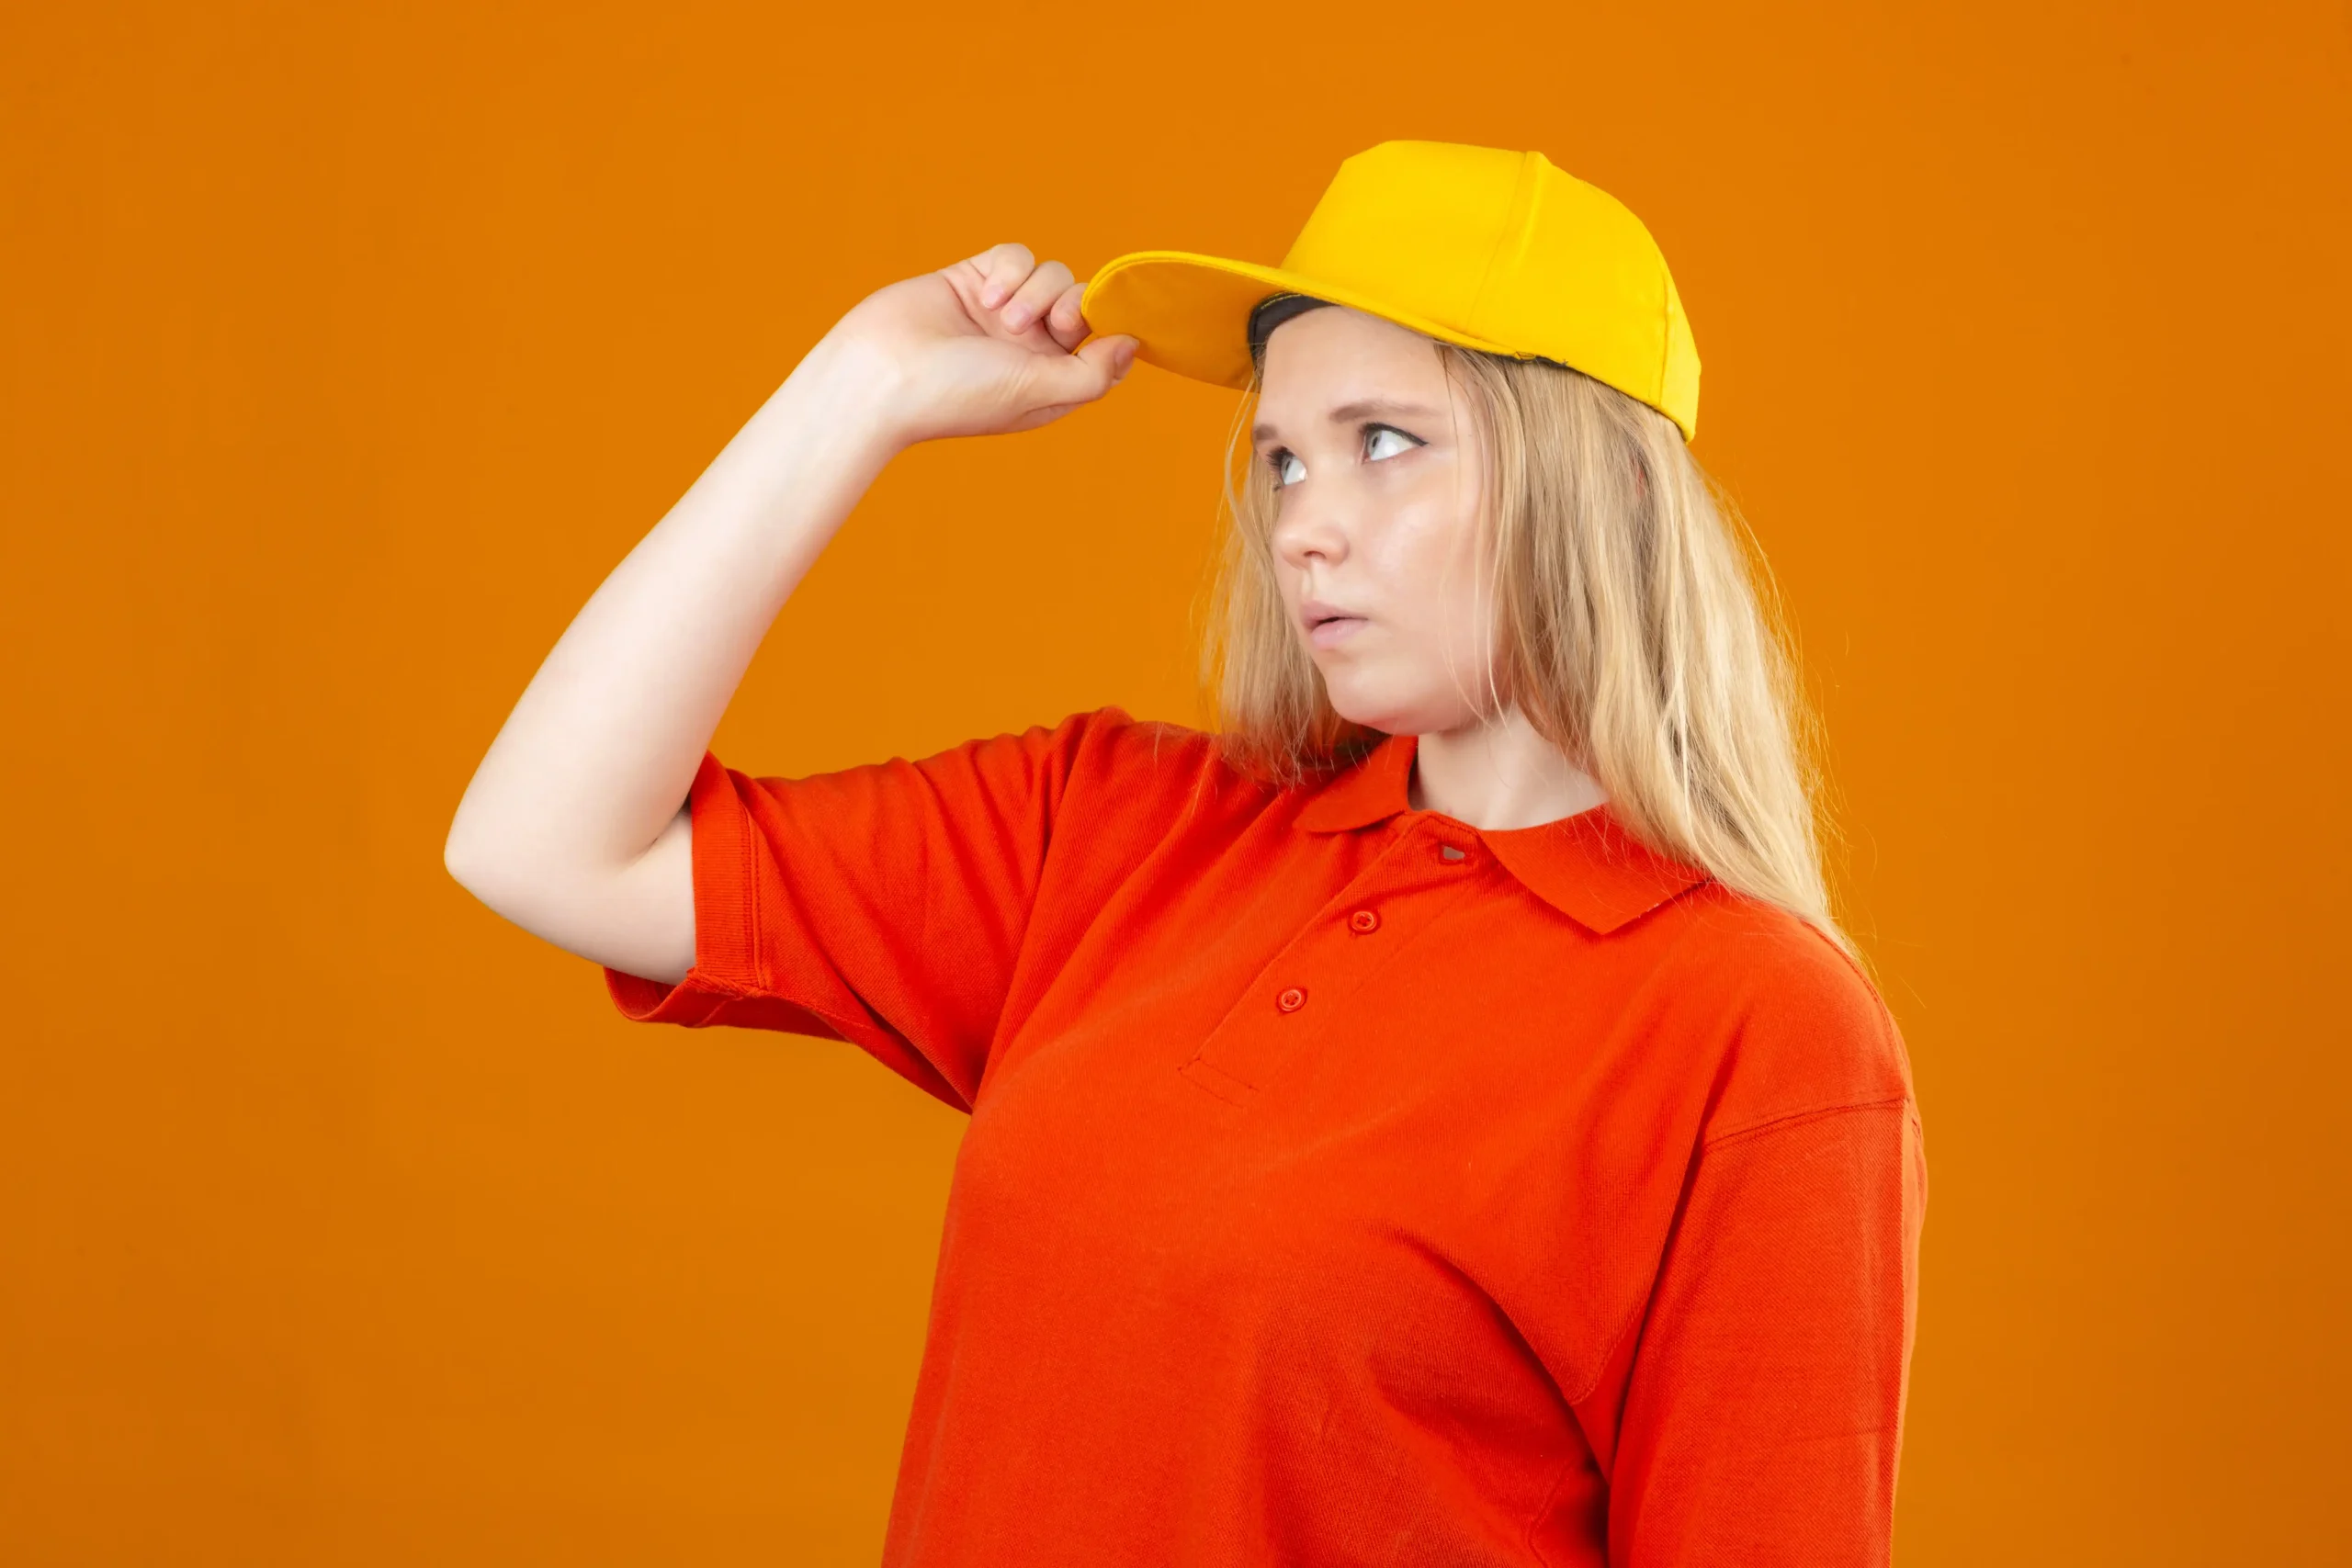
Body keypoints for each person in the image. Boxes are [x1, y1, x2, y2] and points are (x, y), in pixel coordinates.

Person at [446, 140, 1928, 1567]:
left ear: (1600, 487)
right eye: (1281, 458)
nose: (1303, 526)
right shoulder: (1120, 829)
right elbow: (542, 845)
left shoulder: (1762, 1034)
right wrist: (860, 391)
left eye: (1385, 443)